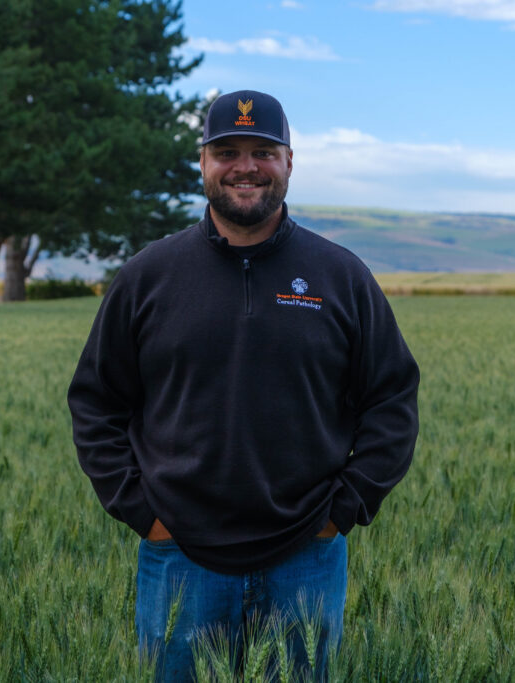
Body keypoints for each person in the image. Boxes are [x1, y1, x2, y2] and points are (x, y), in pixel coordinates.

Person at [67, 89, 419, 681]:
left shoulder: (341, 276)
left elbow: (392, 398)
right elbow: (96, 401)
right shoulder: (148, 276)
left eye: (263, 152)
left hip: (306, 555)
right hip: (180, 559)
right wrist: (142, 513)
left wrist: (343, 510)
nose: (245, 167)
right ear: (203, 163)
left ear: (289, 162)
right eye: (227, 152)